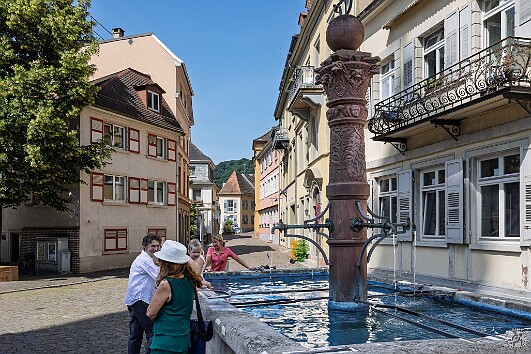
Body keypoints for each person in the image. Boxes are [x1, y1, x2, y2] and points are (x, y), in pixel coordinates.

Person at [146, 240, 203, 354]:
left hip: (165, 341)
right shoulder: (190, 281)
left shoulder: (166, 284)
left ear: (166, 263)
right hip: (183, 338)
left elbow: (150, 313)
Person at [125, 234, 162, 354]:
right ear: (145, 246)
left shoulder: (146, 259)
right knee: (152, 332)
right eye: (153, 246)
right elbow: (158, 276)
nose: (156, 249)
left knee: (135, 335)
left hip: (134, 299)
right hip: (140, 300)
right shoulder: (144, 260)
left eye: (158, 246)